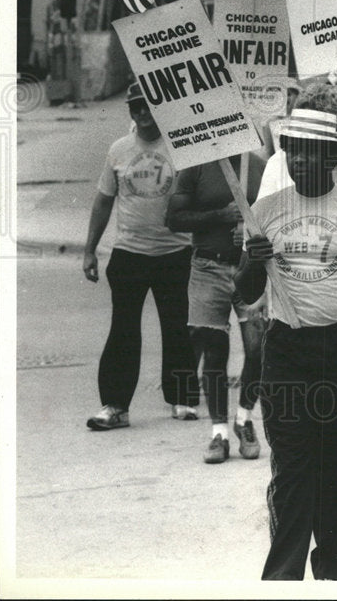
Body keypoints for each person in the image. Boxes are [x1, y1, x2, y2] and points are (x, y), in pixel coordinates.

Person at [236, 105, 337, 580]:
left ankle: (332, 575)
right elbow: (245, 292)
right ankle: (283, 579)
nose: (301, 161)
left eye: (312, 153)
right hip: (286, 350)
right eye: (294, 151)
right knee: (292, 471)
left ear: (333, 156)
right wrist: (253, 260)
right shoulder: (264, 211)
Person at [83, 82, 199, 430]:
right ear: (131, 112)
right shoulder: (119, 150)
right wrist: (89, 250)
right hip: (129, 253)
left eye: (149, 106)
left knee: (177, 327)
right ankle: (115, 406)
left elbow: (197, 195)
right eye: (137, 108)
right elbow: (103, 201)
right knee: (123, 330)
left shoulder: (181, 146)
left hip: (174, 252)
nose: (144, 114)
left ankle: (182, 398)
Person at [167, 150, 266, 464]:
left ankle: (244, 419)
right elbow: (173, 218)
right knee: (213, 349)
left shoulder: (260, 166)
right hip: (208, 267)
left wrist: (251, 230)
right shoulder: (196, 166)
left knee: (258, 348)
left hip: (251, 268)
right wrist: (219, 216)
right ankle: (219, 432)